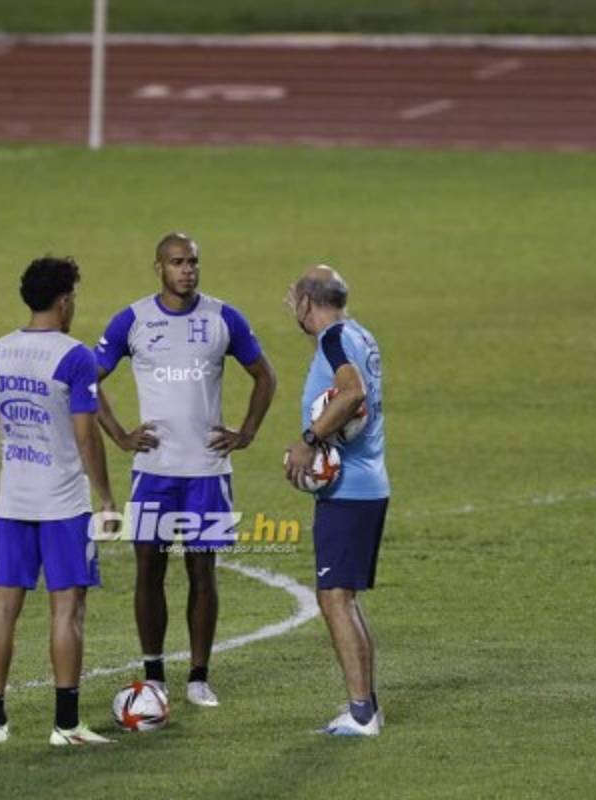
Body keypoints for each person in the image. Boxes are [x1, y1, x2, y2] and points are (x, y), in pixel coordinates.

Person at [94, 232, 277, 707]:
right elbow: (86, 379)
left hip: (207, 470)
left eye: (193, 261)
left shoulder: (223, 318)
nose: (188, 270)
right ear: (159, 267)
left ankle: (198, 677)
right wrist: (117, 434)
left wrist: (248, 432)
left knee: (203, 571)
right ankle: (153, 674)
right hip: (154, 469)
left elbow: (265, 375)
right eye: (178, 262)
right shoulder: (132, 321)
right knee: (149, 571)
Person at [0, 256, 117, 746]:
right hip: (62, 504)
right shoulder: (75, 357)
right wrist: (106, 496)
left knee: (3, 608)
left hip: (14, 500)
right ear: (64, 301)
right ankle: (66, 724)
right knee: (67, 610)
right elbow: (86, 438)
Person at [283, 264, 390, 737]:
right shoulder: (358, 335)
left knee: (334, 599)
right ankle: (366, 707)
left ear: (309, 302)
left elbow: (352, 396)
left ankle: (362, 713)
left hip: (349, 490)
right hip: (365, 485)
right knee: (340, 598)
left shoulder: (335, 339)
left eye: (294, 300)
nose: (292, 308)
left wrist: (310, 440)